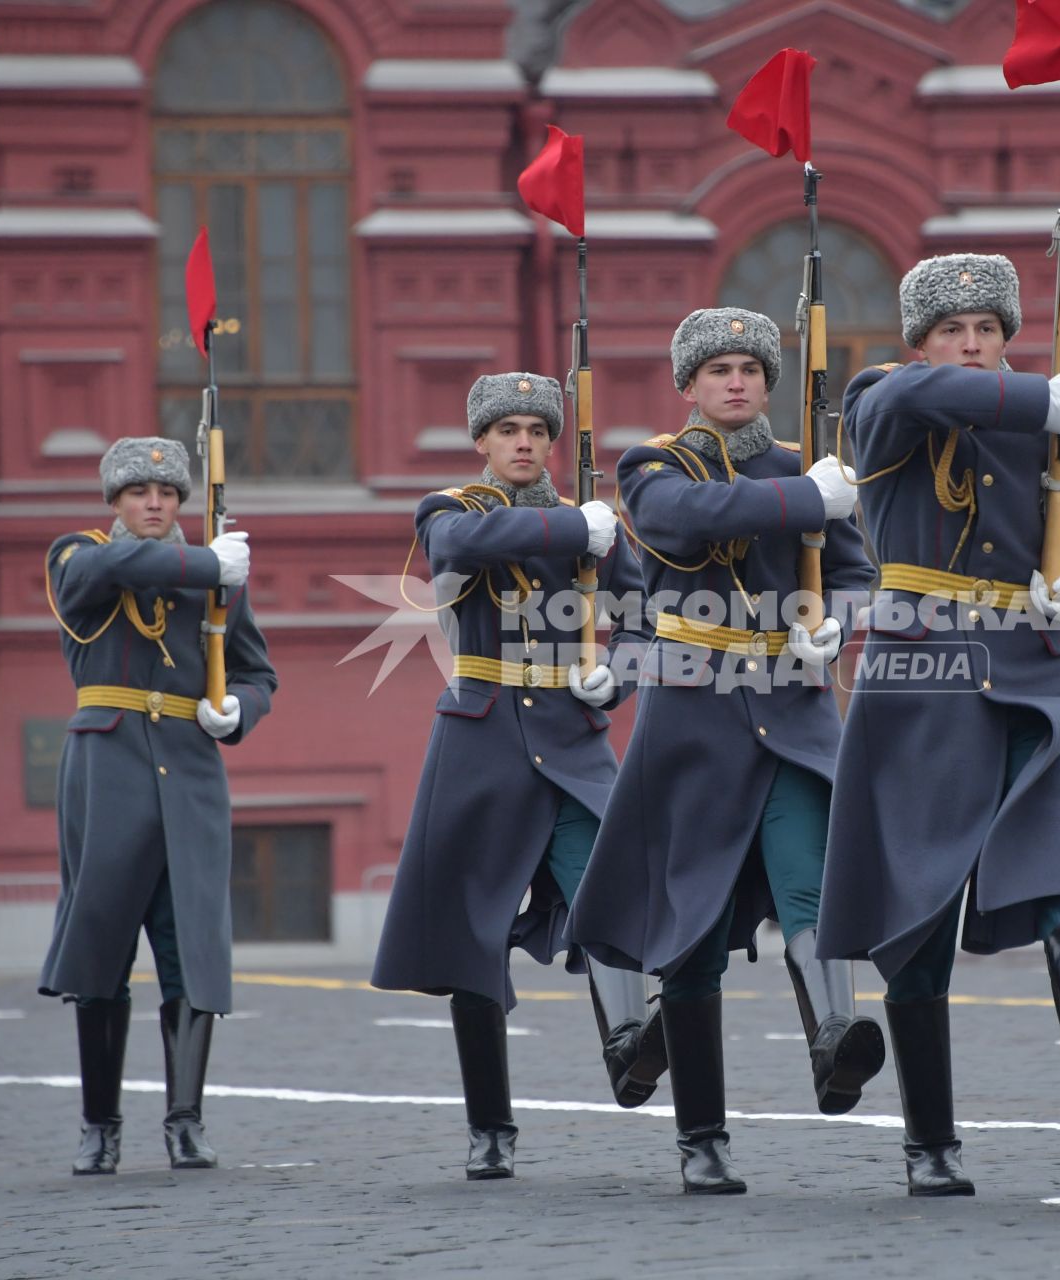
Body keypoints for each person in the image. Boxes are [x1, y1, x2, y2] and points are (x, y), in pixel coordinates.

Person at [818, 253, 1060, 1196]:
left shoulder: (1057, 417)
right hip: (926, 674)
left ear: (1010, 336)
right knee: (920, 905)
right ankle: (930, 1142)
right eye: (952, 330)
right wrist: (1044, 405)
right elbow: (906, 404)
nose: (972, 344)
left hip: (1039, 670)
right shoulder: (889, 399)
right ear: (918, 341)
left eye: (989, 330)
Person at [570, 308, 883, 1195]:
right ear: (689, 387)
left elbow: (855, 575)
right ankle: (701, 1140)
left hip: (790, 708)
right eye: (718, 371)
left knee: (807, 886)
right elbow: (683, 521)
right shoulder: (656, 465)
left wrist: (839, 622)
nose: (737, 382)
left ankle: (835, 1041)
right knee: (693, 935)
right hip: (694, 722)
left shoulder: (802, 471)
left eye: (751, 368)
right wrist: (808, 498)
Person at [371, 371, 663, 1181]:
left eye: (539, 429)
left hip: (571, 737)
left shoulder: (600, 529)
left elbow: (641, 618)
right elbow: (460, 554)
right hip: (481, 740)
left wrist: (623, 675)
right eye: (508, 431)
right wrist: (578, 526)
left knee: (613, 885)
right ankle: (490, 1128)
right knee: (476, 933)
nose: (525, 442)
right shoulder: (452, 510)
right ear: (482, 443)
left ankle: (629, 1042)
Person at [39, 436, 277, 1175]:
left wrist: (236, 707)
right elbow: (112, 569)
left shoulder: (215, 580)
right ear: (112, 502)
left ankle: (184, 1120)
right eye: (139, 492)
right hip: (107, 768)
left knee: (192, 952)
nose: (154, 503)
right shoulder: (78, 556)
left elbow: (258, 673)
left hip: (191, 769)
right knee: (101, 951)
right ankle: (99, 1125)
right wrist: (210, 563)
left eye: (168, 493)